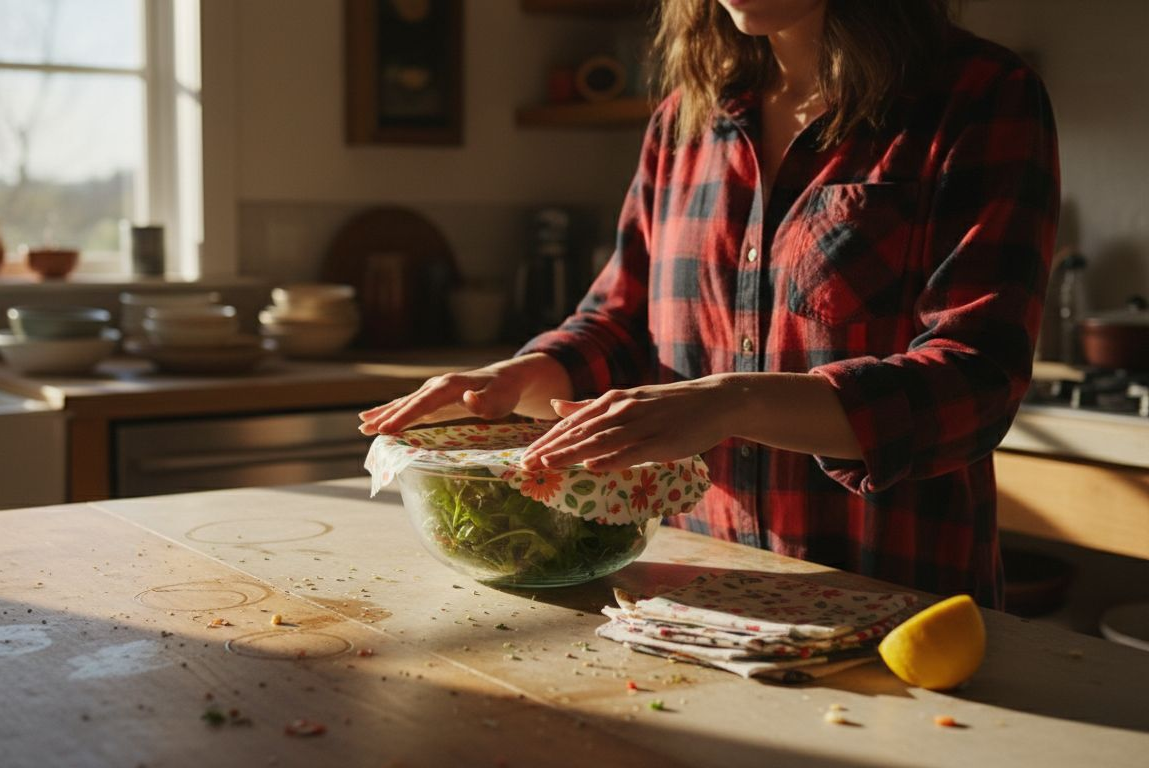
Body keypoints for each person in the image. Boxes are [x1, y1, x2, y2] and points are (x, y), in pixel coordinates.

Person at [359, 0, 1059, 608]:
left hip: (898, 601)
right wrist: (516, 380)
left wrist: (731, 402)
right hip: (699, 597)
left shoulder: (979, 97)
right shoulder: (685, 122)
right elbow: (621, 325)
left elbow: (977, 380)